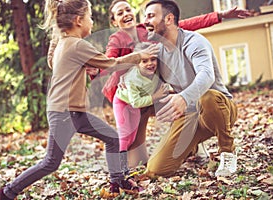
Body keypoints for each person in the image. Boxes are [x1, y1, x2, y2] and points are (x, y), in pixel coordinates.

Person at [0, 0, 159, 199]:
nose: (92, 22)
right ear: (79, 20)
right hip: (65, 114)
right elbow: (112, 63)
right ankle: (6, 193)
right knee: (51, 162)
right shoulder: (76, 45)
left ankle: (117, 181)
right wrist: (138, 55)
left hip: (72, 113)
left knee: (113, 138)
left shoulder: (64, 43)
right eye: (89, 18)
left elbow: (62, 65)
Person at [99, 0, 252, 167]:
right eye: (120, 13)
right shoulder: (117, 40)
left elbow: (184, 24)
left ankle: (213, 148)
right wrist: (125, 74)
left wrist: (219, 15)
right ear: (114, 22)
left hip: (173, 96)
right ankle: (132, 164)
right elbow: (107, 63)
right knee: (146, 162)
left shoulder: (149, 32)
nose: (126, 14)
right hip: (130, 96)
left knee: (196, 98)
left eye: (128, 9)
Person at [141, 0, 238, 178]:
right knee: (156, 169)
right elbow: (149, 81)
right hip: (190, 115)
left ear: (169, 19)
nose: (145, 21)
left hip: (218, 109)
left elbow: (206, 75)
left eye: (151, 16)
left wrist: (183, 97)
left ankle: (228, 151)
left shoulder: (194, 41)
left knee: (207, 97)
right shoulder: (158, 53)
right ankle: (193, 146)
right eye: (145, 16)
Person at [113, 42, 174, 173]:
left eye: (153, 59)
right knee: (125, 134)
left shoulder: (157, 70)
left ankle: (126, 160)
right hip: (122, 103)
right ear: (136, 63)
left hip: (135, 106)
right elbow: (135, 102)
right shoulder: (132, 79)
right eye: (144, 61)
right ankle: (120, 166)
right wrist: (155, 97)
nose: (150, 63)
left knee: (132, 136)